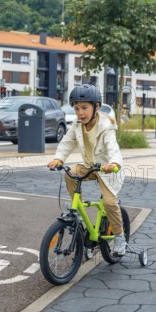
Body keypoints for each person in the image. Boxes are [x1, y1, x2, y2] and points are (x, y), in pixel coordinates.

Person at [47, 84, 127, 255]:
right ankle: (78, 213)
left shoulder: (106, 126)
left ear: (96, 106)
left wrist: (113, 163)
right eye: (76, 108)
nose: (80, 113)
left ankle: (120, 237)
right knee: (70, 173)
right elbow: (67, 142)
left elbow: (113, 148)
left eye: (84, 108)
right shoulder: (77, 125)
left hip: (108, 170)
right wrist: (58, 158)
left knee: (109, 202)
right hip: (90, 167)